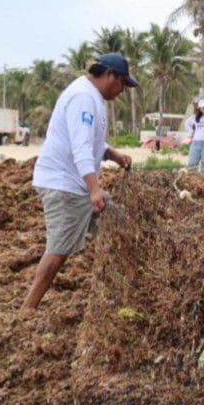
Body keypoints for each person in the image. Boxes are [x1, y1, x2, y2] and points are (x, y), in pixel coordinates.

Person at [21, 53, 136, 311]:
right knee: (59, 250)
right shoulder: (84, 97)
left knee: (118, 227)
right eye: (122, 85)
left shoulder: (91, 96)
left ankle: (122, 292)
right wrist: (95, 189)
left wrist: (111, 153)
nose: (121, 92)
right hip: (65, 186)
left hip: (77, 184)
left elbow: (89, 139)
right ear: (109, 75)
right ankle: (27, 309)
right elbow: (80, 147)